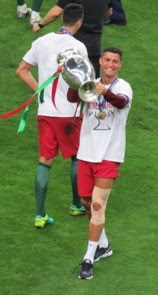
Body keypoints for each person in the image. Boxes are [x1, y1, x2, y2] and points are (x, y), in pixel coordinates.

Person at [16, 3, 88, 227]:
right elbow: (84, 81)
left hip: (46, 112)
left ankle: (39, 214)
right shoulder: (79, 47)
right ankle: (76, 205)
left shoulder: (41, 42)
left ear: (61, 18)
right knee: (76, 157)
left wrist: (40, 90)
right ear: (79, 22)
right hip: (70, 113)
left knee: (45, 160)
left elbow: (21, 70)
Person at [68, 47, 133, 279]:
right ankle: (103, 246)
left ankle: (88, 260)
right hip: (86, 153)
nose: (110, 64)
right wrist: (72, 77)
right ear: (100, 61)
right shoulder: (90, 82)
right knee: (86, 202)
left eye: (115, 61)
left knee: (97, 206)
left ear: (120, 65)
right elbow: (71, 98)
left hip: (109, 155)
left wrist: (104, 91)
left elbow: (119, 102)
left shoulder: (123, 87)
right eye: (107, 60)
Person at [32, 0, 109, 77]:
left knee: (65, 82)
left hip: (72, 49)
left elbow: (56, 13)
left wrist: (40, 24)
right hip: (94, 48)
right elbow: (109, 12)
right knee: (91, 82)